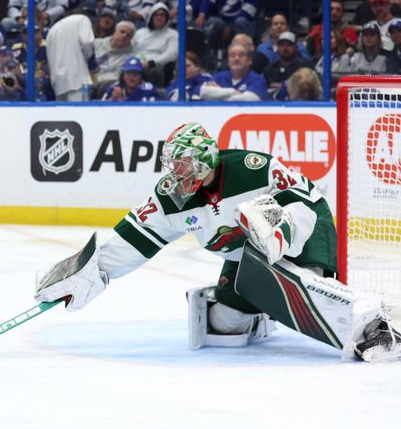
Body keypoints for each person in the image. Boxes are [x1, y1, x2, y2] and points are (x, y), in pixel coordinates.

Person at [34, 122, 401, 363]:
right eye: (172, 165)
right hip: (251, 255)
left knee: (290, 285)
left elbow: (306, 202)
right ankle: (260, 305)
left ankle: (372, 325)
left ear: (205, 158)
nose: (175, 173)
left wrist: (281, 232)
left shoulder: (253, 167)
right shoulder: (170, 198)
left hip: (303, 235)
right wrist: (90, 272)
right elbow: (131, 239)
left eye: (183, 164)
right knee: (222, 323)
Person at [45, 13, 99, 101]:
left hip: (58, 83)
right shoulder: (82, 18)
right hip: (77, 79)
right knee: (80, 113)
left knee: (63, 113)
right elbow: (87, 43)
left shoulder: (52, 30)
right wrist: (91, 63)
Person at [200, 42, 269, 101]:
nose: (236, 58)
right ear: (228, 61)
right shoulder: (220, 76)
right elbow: (203, 92)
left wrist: (219, 92)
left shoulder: (258, 80)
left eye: (241, 55)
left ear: (249, 60)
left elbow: (246, 100)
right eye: (232, 55)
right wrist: (232, 92)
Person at [131, 2, 178, 87]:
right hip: (137, 63)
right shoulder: (139, 32)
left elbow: (171, 54)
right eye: (156, 15)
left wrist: (151, 63)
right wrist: (139, 63)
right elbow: (133, 50)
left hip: (158, 66)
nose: (159, 17)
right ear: (151, 17)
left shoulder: (173, 34)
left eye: (162, 15)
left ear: (166, 18)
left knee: (155, 73)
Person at [93, 20, 135, 93]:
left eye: (128, 35)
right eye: (122, 32)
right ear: (115, 32)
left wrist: (93, 80)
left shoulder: (129, 57)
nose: (124, 36)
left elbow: (116, 76)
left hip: (101, 85)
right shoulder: (96, 43)